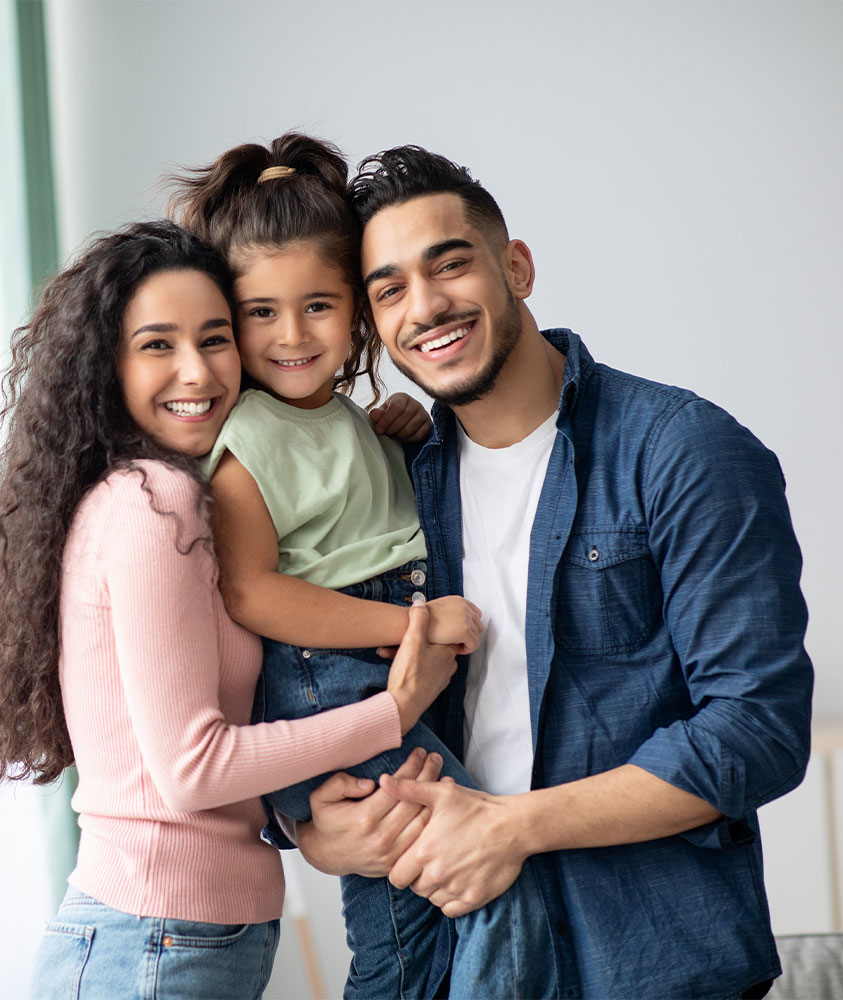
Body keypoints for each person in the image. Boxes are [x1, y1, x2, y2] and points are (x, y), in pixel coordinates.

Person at [294, 146, 815, 1000]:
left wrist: (511, 829)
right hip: (449, 957)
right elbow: (308, 676)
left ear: (516, 267)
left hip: (647, 962)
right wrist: (309, 828)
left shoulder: (681, 451)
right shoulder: (392, 482)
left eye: (449, 264)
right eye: (388, 289)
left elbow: (756, 729)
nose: (425, 306)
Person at [0, 220, 458, 1000]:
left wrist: (304, 825)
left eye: (214, 339)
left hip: (177, 936)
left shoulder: (187, 497)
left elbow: (194, 772)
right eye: (157, 344)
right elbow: (192, 771)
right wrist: (392, 711)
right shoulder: (154, 504)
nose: (197, 370)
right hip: (151, 941)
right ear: (104, 365)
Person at [168, 133, 551, 1000]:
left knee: (411, 928)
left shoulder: (347, 418)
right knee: (477, 892)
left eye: (318, 305)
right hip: (332, 679)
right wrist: (412, 627)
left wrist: (394, 435)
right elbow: (252, 590)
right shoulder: (249, 439)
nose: (291, 335)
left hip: (363, 673)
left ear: (355, 314)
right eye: (260, 312)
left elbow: (347, 516)